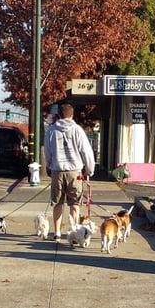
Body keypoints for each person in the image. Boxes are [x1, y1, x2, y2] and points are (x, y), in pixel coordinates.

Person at [44, 103, 95, 243]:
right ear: (72, 115)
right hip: (75, 171)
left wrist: (49, 165)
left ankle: (57, 232)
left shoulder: (51, 130)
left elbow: (47, 151)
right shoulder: (77, 130)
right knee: (75, 203)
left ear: (59, 115)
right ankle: (74, 231)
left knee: (57, 203)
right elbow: (86, 151)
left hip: (57, 170)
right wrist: (89, 170)